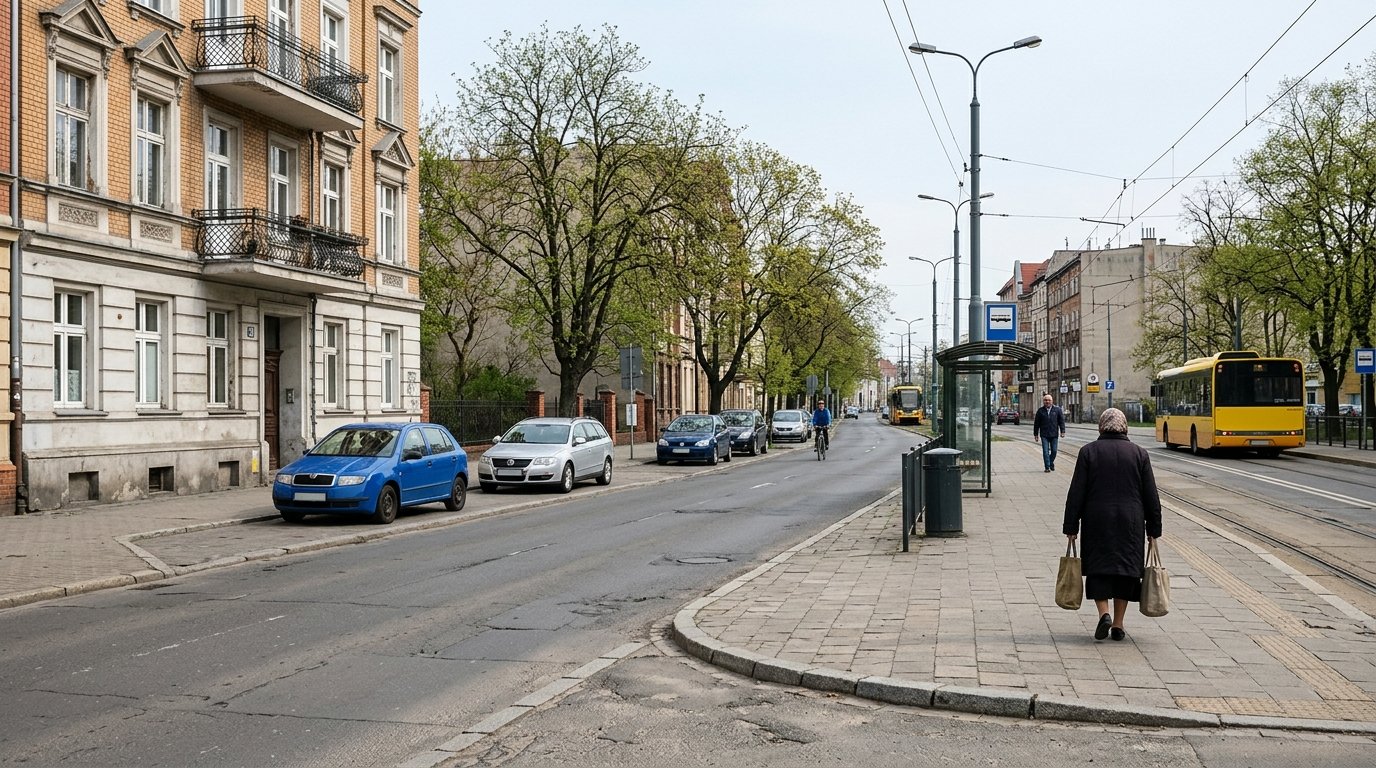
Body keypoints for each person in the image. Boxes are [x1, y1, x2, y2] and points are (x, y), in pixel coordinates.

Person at [1063, 407, 1163, 642]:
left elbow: (1076, 492)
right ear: (1125, 426)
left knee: (1099, 568)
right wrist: (1154, 530)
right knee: (1126, 571)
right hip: (1131, 521)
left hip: (1097, 519)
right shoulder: (1139, 453)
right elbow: (1151, 495)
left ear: (1101, 426)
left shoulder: (1088, 452)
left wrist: (1071, 527)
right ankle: (1118, 624)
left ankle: (1103, 614)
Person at [1032, 393, 1066, 472]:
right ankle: (1047, 467)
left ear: (1052, 401)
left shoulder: (1057, 410)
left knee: (1054, 451)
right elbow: (1036, 423)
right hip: (1044, 435)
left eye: (1049, 400)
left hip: (1054, 434)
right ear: (1043, 401)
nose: (1047, 401)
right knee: (1045, 451)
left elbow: (1061, 421)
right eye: (1045, 400)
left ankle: (1050, 462)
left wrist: (1062, 431)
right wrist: (1036, 434)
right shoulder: (1040, 411)